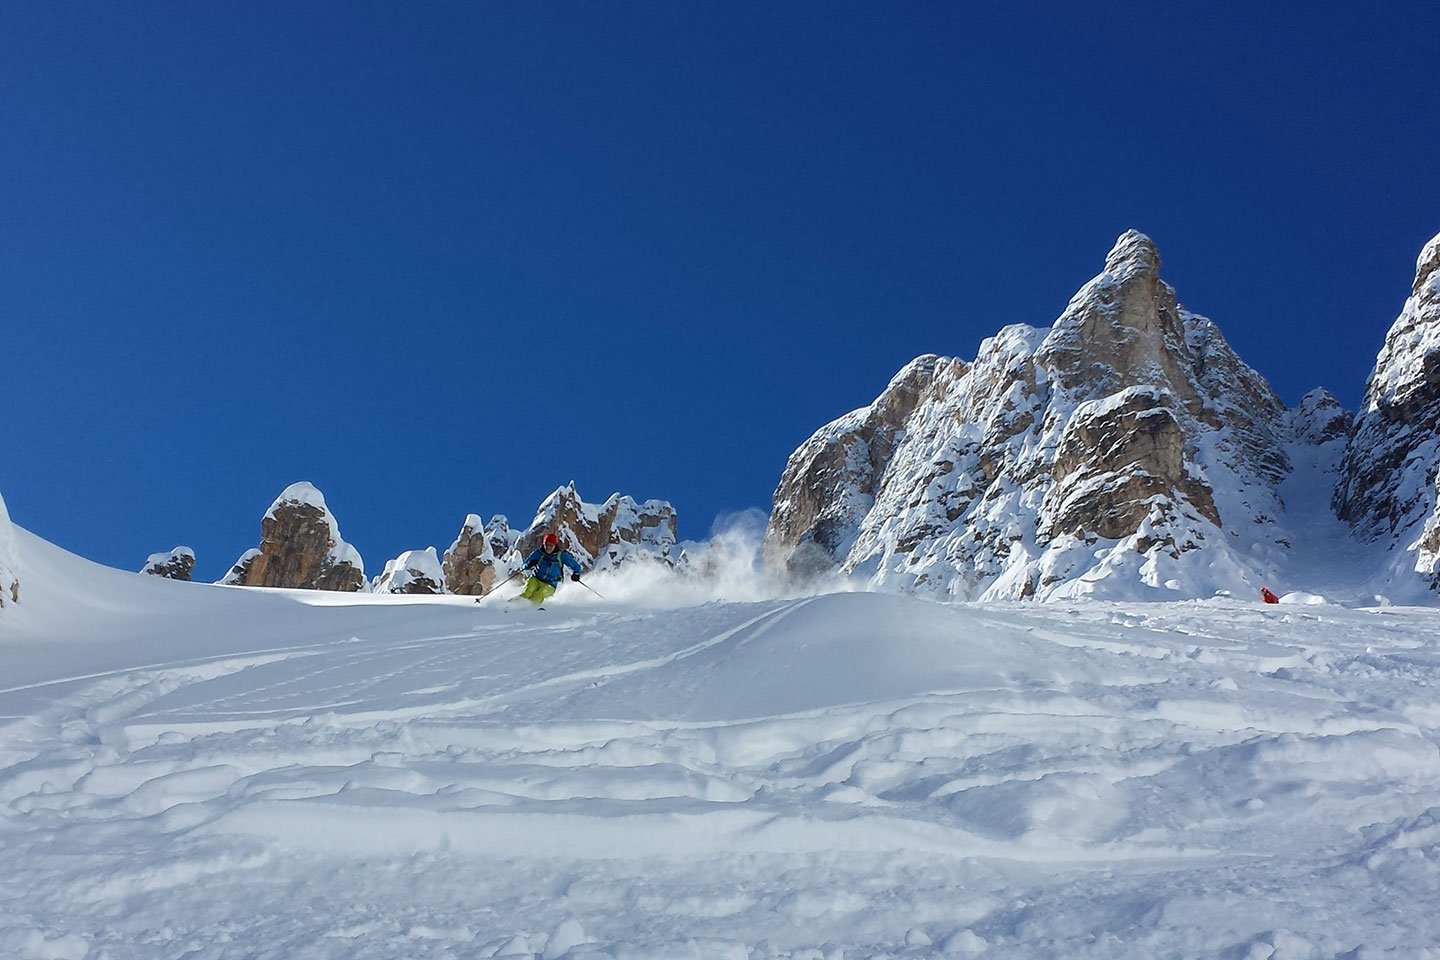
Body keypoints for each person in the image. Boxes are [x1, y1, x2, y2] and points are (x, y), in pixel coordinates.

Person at [512, 532, 584, 605]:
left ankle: (529, 610)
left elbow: (576, 566)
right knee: (526, 593)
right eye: (546, 545)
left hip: (550, 584)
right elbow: (524, 565)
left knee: (538, 595)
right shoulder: (538, 553)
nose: (548, 547)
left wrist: (576, 573)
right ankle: (509, 606)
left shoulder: (561, 556)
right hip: (535, 579)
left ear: (555, 545)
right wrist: (528, 565)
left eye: (551, 545)